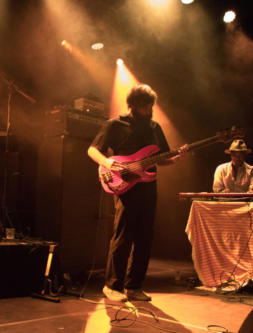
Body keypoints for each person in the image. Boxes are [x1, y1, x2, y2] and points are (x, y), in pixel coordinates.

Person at [87, 84, 188, 302]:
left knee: (144, 238)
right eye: (145, 105)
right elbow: (92, 149)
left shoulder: (154, 127)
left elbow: (163, 159)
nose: (149, 109)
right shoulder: (115, 124)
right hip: (124, 185)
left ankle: (134, 286)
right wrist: (107, 163)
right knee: (123, 235)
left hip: (149, 186)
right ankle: (112, 286)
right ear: (133, 105)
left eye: (151, 105)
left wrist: (177, 157)